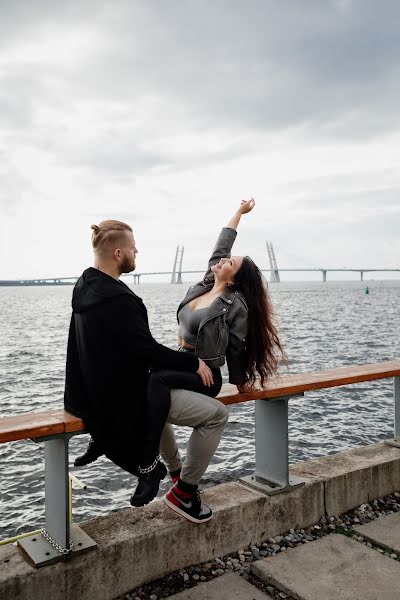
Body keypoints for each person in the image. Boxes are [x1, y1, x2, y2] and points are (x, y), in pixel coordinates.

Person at [74, 199, 286, 523]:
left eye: (231, 262)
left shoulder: (235, 305)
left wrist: (241, 382)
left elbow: (238, 349)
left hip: (205, 374)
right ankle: (171, 476)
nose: (223, 259)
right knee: (144, 381)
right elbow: (223, 242)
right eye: (224, 258)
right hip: (181, 363)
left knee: (154, 382)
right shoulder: (205, 283)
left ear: (235, 278)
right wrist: (240, 213)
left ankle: (170, 479)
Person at [64, 219, 228, 524]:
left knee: (159, 393)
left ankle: (174, 472)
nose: (136, 250)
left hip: (97, 395)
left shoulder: (84, 286)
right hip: (131, 394)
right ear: (117, 254)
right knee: (217, 414)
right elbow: (147, 351)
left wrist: (78, 403)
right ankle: (183, 492)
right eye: (132, 247)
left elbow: (76, 348)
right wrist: (193, 363)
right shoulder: (121, 300)